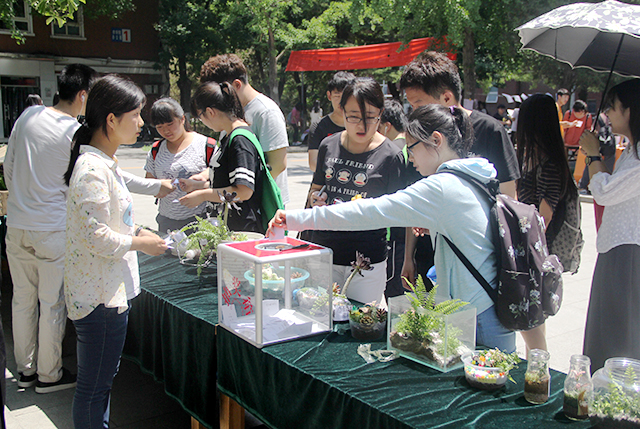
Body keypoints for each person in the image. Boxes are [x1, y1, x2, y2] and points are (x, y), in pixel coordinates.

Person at [269, 104, 516, 352]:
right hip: (488, 306)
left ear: (436, 140)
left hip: (477, 318)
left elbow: (368, 212)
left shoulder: (441, 186)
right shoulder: (472, 175)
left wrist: (295, 219)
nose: (410, 157)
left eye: (412, 147)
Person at [63, 74, 168, 428]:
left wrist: (137, 231)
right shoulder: (93, 169)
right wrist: (141, 243)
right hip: (100, 297)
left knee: (99, 385)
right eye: (135, 115)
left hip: (103, 292)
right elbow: (95, 236)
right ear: (111, 119)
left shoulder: (103, 162)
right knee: (94, 389)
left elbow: (107, 221)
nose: (141, 123)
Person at [4, 64, 97, 394]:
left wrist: (21, 200)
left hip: (17, 224)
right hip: (52, 230)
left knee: (22, 300)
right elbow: (77, 185)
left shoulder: (28, 116)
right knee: (52, 303)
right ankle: (49, 374)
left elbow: (9, 166)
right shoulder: (75, 132)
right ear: (82, 95)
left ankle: (25, 371)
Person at [399, 51, 520, 289]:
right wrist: (408, 257)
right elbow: (414, 202)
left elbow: (508, 200)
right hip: (429, 258)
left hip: (479, 262)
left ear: (447, 98)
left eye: (419, 104)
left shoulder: (490, 131)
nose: (414, 112)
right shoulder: (419, 138)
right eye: (411, 105)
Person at [307, 77, 406, 305]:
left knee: (360, 320)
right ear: (342, 112)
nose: (362, 125)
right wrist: (316, 199)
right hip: (325, 251)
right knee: (321, 316)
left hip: (367, 259)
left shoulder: (391, 156)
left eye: (370, 117)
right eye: (353, 116)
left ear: (381, 114)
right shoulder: (328, 145)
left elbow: (398, 214)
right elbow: (316, 188)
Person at [579, 79, 640, 372]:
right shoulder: (631, 150)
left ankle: (614, 392)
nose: (608, 114)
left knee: (618, 333)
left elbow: (604, 192)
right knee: (609, 327)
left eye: (613, 107)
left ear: (630, 111)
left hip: (628, 251)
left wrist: (593, 155)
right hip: (617, 247)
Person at [515, 93, 579, 353]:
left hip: (538, 250)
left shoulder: (550, 164)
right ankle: (536, 366)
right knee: (534, 318)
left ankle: (538, 368)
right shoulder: (537, 159)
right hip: (535, 248)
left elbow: (545, 215)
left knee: (531, 317)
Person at [200, 54, 290, 205]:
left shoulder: (266, 112)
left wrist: (243, 190)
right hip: (235, 200)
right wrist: (208, 175)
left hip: (260, 206)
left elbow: (278, 164)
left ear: (236, 85)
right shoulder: (228, 111)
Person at [179, 81, 266, 234]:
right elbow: (227, 184)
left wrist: (202, 196)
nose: (203, 122)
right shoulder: (230, 136)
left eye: (200, 117)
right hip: (232, 226)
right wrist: (197, 185)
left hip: (241, 230)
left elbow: (244, 191)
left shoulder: (240, 140)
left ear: (210, 112)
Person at [378, 99, 423, 298]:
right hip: (415, 234)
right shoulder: (412, 146)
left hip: (396, 236)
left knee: (396, 295)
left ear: (386, 126)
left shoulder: (392, 151)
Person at [144, 97, 209, 233]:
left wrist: (201, 180)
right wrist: (158, 188)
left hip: (200, 221)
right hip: (167, 221)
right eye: (159, 127)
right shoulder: (156, 150)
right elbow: (149, 181)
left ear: (182, 119)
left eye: (170, 124)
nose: (166, 131)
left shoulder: (206, 145)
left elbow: (219, 177)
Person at [307, 71, 356, 172]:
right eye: (337, 96)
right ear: (329, 96)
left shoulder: (362, 125)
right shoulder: (318, 127)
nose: (341, 102)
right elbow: (313, 163)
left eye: (346, 96)